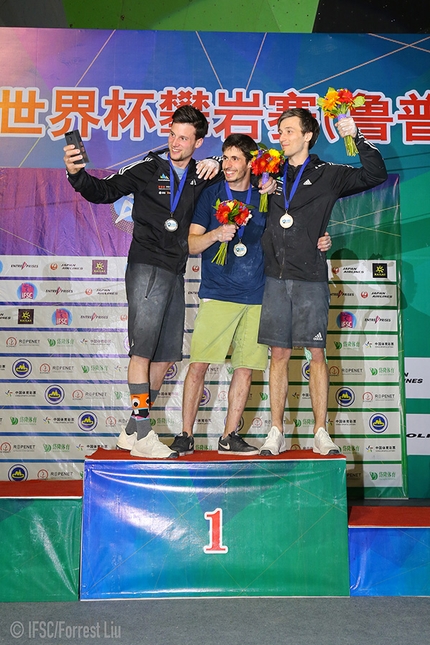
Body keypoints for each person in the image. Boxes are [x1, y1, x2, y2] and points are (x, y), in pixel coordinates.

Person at [64, 105, 221, 459]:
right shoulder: (149, 167)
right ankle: (145, 432)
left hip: (176, 270)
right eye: (172, 135)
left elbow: (246, 163)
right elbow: (103, 191)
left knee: (165, 357)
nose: (175, 143)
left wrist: (221, 161)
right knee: (142, 352)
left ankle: (132, 429)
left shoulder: (202, 173)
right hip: (147, 266)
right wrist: (77, 174)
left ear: (198, 141)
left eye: (184, 138)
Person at [169, 133, 332, 456]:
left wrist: (320, 239)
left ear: (249, 164)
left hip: (259, 295)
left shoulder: (267, 195)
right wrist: (217, 234)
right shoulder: (212, 194)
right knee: (199, 364)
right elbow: (190, 243)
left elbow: (295, 226)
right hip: (218, 292)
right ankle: (185, 434)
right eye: (224, 158)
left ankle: (230, 435)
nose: (227, 165)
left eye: (234, 159)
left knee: (245, 369)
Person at [257, 108, 388, 456]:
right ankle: (275, 431)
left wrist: (357, 137)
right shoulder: (269, 172)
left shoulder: (329, 174)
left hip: (311, 275)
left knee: (316, 352)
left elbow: (376, 174)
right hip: (274, 275)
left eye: (288, 131)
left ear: (307, 136)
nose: (281, 137)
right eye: (279, 131)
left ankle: (319, 432)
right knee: (279, 354)